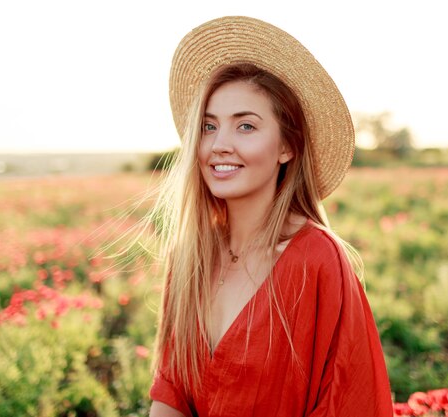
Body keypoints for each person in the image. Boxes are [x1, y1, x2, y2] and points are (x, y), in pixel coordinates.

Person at [147, 16, 393, 417]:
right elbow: (171, 393)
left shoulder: (317, 260)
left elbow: (349, 402)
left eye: (245, 126)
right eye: (209, 126)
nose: (220, 145)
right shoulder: (190, 255)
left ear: (286, 148)